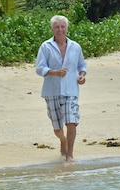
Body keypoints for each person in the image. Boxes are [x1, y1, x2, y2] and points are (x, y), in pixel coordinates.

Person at [35, 15, 87, 162]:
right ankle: (62, 140)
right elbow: (39, 68)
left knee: (71, 122)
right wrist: (54, 72)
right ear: (52, 29)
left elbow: (82, 65)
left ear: (67, 28)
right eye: (57, 27)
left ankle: (70, 154)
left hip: (71, 91)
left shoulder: (75, 47)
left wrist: (82, 76)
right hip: (51, 91)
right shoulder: (45, 46)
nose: (60, 30)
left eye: (62, 26)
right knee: (58, 129)